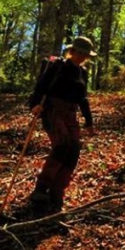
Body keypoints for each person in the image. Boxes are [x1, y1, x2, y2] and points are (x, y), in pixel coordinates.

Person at [27, 35, 97, 213]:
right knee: (62, 145)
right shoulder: (58, 66)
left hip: (71, 115)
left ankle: (57, 192)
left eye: (85, 54)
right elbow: (41, 86)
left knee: (73, 151)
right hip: (53, 110)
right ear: (71, 52)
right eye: (79, 52)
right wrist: (34, 104)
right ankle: (41, 190)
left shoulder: (83, 73)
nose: (81, 57)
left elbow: (83, 98)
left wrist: (89, 121)